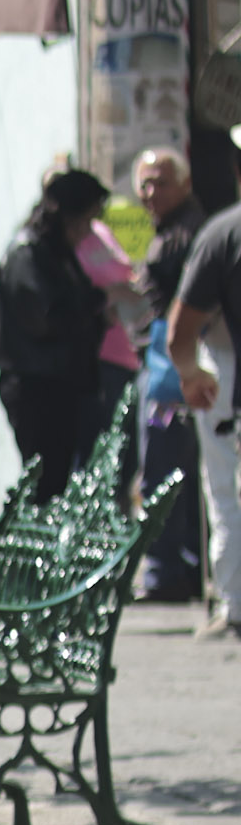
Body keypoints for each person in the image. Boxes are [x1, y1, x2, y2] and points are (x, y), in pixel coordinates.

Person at [0, 167, 113, 503]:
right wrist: (91, 314)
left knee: (59, 480)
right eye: (85, 220)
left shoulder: (58, 254)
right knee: (44, 481)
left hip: (61, 383)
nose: (87, 231)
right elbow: (45, 317)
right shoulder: (27, 254)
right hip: (35, 386)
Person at [133, 148, 212, 603]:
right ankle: (179, 568)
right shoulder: (171, 231)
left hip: (172, 372)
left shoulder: (185, 235)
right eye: (145, 183)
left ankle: (167, 572)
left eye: (161, 182)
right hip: (169, 366)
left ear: (184, 185)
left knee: (163, 470)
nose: (151, 192)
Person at [165, 198, 241, 636]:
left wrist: (192, 374)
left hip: (228, 375)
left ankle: (235, 601)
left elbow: (181, 331)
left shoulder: (224, 233)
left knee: (226, 489)